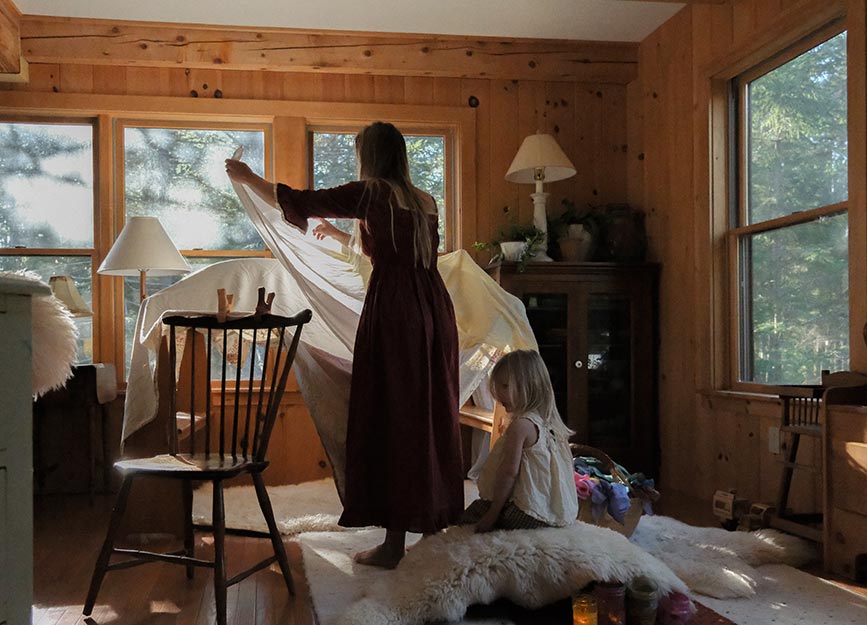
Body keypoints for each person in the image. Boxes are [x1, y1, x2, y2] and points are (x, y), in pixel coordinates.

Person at [225, 121, 464, 568]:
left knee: (393, 415)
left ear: (370, 157)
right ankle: (431, 521)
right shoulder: (424, 200)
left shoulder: (371, 192)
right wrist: (340, 237)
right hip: (433, 310)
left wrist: (247, 176)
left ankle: (393, 545)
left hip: (396, 312)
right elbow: (401, 249)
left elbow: (299, 200)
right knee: (427, 412)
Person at [462, 349, 579, 532]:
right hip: (553, 511)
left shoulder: (521, 426)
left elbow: (508, 473)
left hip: (529, 512)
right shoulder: (548, 423)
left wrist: (493, 513)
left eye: (505, 386)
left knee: (468, 516)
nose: (498, 394)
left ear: (528, 386)